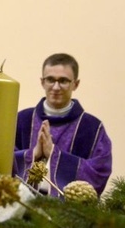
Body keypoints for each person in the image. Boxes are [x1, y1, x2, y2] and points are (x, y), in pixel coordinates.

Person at [13, 53, 112, 197]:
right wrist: (32, 154)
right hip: (21, 208)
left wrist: (54, 154)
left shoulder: (92, 128)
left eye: (63, 81)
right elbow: (1, 163)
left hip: (67, 213)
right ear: (42, 82)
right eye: (50, 80)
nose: (56, 87)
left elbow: (99, 172)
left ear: (75, 84)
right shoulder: (22, 119)